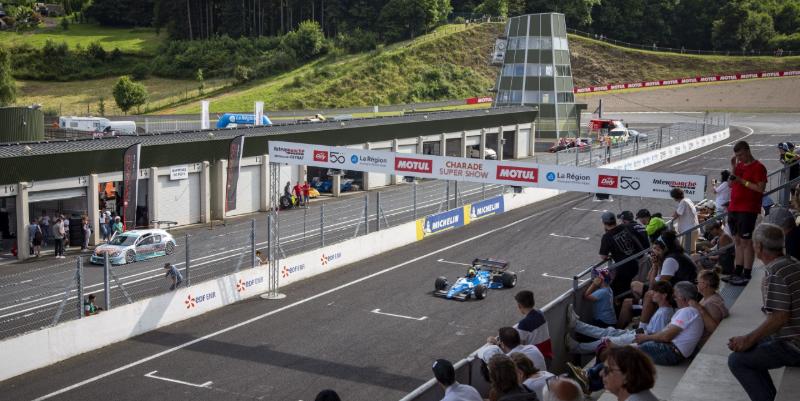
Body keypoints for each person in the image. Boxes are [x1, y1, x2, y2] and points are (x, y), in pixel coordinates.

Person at [728, 223, 800, 401]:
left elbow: (780, 317)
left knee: (737, 361)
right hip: (792, 336)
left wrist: (748, 339)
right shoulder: (791, 262)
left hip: (794, 345)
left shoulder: (775, 272)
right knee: (750, 346)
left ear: (758, 247)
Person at [567, 281, 675, 354]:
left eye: (656, 292)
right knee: (607, 332)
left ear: (664, 295)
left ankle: (576, 347)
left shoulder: (663, 314)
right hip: (639, 334)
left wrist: (639, 338)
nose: (653, 294)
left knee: (607, 339)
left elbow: (656, 337)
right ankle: (576, 325)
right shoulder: (664, 310)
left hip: (640, 339)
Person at [727, 140, 767, 286]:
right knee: (737, 241)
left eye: (742, 155)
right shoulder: (738, 166)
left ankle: (747, 273)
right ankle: (737, 271)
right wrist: (733, 168)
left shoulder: (759, 167)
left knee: (746, 242)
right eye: (737, 156)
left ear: (748, 151)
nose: (740, 158)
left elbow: (760, 188)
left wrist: (742, 181)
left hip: (748, 209)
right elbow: (730, 184)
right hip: (734, 207)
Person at [635, 281, 705, 365]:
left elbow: (666, 337)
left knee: (630, 351)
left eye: (675, 296)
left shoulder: (687, 311)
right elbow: (666, 333)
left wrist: (646, 338)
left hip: (671, 353)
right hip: (673, 351)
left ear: (683, 298)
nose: (674, 299)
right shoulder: (691, 311)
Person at [598, 211, 646, 297]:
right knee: (627, 287)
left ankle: (626, 305)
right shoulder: (624, 227)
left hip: (624, 267)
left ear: (604, 223)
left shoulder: (606, 237)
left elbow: (603, 256)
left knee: (615, 290)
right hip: (635, 263)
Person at [480, 327, 547, 372]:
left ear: (502, 344)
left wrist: (490, 344)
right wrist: (498, 343)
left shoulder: (507, 362)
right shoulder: (532, 348)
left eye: (499, 339)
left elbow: (482, 353)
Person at [691, 269, 729, 342]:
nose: (697, 284)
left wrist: (699, 308)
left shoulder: (711, 303)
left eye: (698, 281)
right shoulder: (710, 297)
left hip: (705, 342)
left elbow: (713, 329)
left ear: (705, 284)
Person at [513, 290, 553, 359]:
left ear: (519, 306)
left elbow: (520, 346)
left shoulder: (523, 324)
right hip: (548, 355)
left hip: (535, 358)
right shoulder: (540, 314)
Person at [670, 187, 699, 253]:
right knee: (691, 251)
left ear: (674, 197)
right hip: (692, 229)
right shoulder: (687, 200)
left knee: (688, 252)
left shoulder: (683, 202)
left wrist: (674, 214)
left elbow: (676, 214)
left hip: (689, 231)